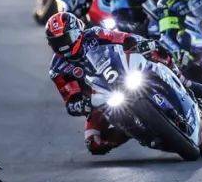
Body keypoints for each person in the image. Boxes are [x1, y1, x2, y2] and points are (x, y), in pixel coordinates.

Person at [45, 11, 163, 155]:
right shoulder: (58, 68)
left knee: (156, 52)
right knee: (94, 144)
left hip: (121, 73)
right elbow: (70, 102)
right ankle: (132, 132)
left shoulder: (95, 34)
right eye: (57, 42)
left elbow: (124, 37)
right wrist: (83, 105)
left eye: (66, 38)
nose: (63, 46)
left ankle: (179, 76)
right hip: (99, 100)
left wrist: (139, 43)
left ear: (77, 32)